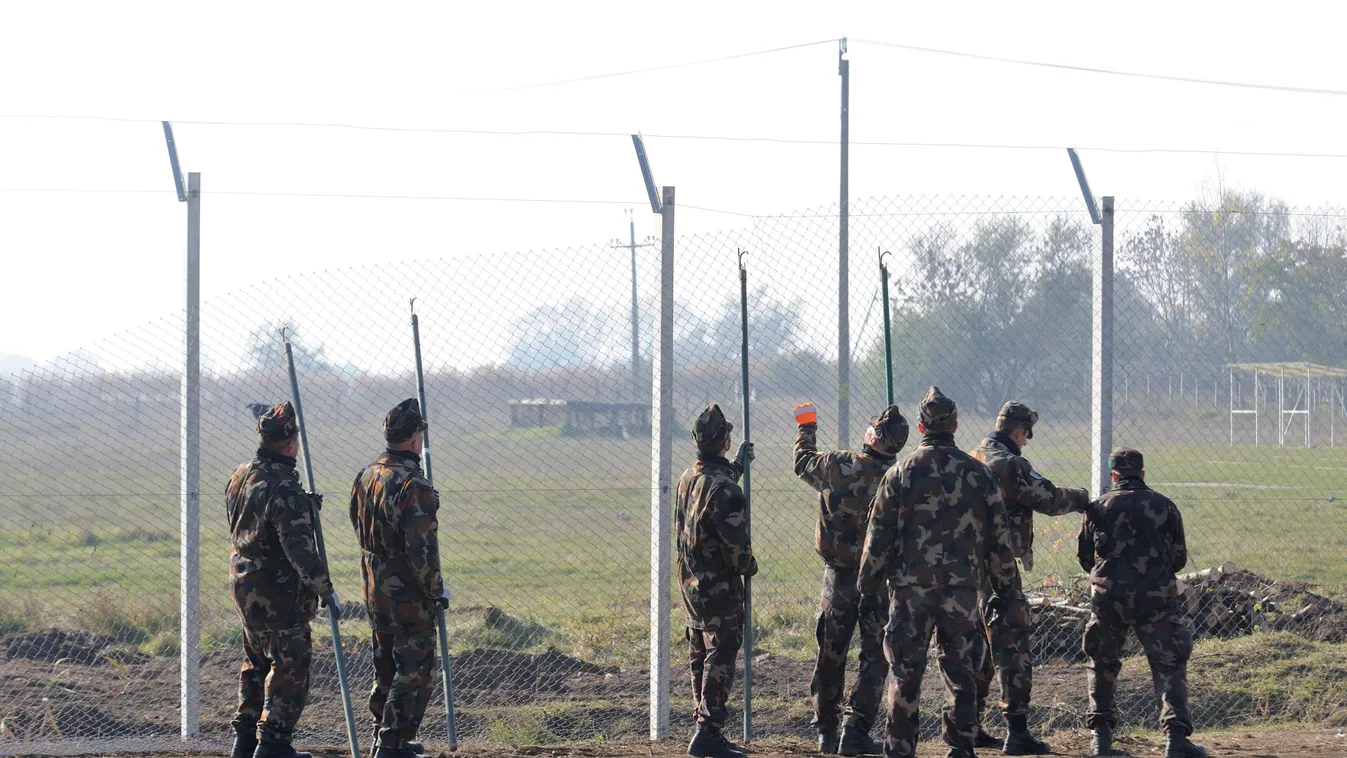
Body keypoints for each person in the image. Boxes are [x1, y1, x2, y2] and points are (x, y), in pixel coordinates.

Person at [857, 387, 1023, 758]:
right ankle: (961, 747)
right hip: (961, 591)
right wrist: (1007, 588)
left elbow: (877, 537)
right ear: (956, 425)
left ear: (919, 427)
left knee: (904, 671)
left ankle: (900, 749)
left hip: (909, 591)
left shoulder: (899, 473)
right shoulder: (979, 474)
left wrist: (867, 588)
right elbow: (1000, 540)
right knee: (961, 671)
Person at [969, 402, 1089, 754]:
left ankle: (969, 725)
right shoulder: (1010, 464)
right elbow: (1049, 499)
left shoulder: (972, 455)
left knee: (977, 647)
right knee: (1011, 646)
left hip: (964, 568)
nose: (1026, 442)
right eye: (1026, 435)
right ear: (1018, 431)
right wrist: (1082, 498)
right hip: (999, 568)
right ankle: (1017, 732)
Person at [793, 402, 909, 755]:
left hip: (838, 578)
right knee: (875, 657)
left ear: (871, 436)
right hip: (879, 582)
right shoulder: (900, 479)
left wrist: (807, 427)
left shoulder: (839, 464)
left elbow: (802, 464)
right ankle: (855, 731)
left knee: (831, 653)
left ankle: (827, 731)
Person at [226, 402, 339, 758]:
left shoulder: (240, 475)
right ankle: (273, 744)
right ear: (291, 443)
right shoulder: (285, 488)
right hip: (279, 593)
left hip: (245, 586)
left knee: (256, 664)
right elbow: (300, 551)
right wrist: (326, 589)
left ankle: (245, 742)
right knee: (289, 667)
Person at [1078, 449, 1206, 758]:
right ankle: (1176, 740)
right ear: (1142, 474)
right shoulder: (1165, 506)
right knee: (1169, 663)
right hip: (1156, 598)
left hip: (1109, 597)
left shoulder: (1097, 508)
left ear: (1113, 476)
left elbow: (1085, 560)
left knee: (1103, 662)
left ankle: (1101, 739)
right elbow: (1178, 558)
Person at [349, 399, 449, 758]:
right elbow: (421, 550)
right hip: (408, 593)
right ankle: (392, 745)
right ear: (414, 439)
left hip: (374, 587)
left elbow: (357, 523)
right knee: (415, 669)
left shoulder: (367, 475)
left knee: (385, 666)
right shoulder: (413, 485)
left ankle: (384, 736)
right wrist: (436, 591)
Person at [676, 403, 756, 758]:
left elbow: (712, 493)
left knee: (700, 653)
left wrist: (737, 465)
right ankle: (708, 732)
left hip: (690, 583)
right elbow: (737, 552)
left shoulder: (687, 478)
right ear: (725, 440)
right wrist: (749, 565)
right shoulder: (725, 490)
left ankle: (702, 725)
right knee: (721, 653)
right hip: (719, 588)